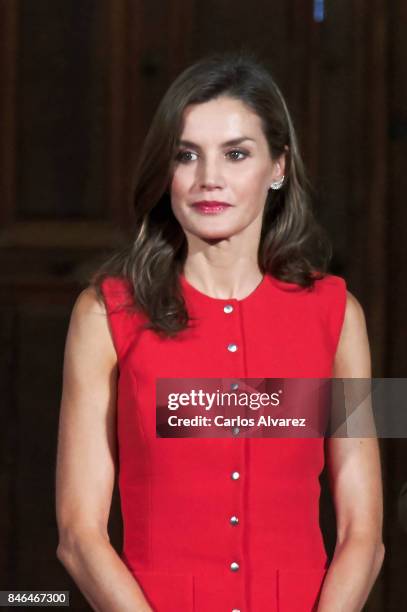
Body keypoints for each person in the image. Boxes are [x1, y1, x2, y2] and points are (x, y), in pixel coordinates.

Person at [55, 51, 385, 611]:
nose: (210, 179)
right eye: (187, 155)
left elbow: (364, 536)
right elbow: (78, 537)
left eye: (236, 154)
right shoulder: (103, 314)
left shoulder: (338, 314)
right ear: (166, 171)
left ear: (278, 166)